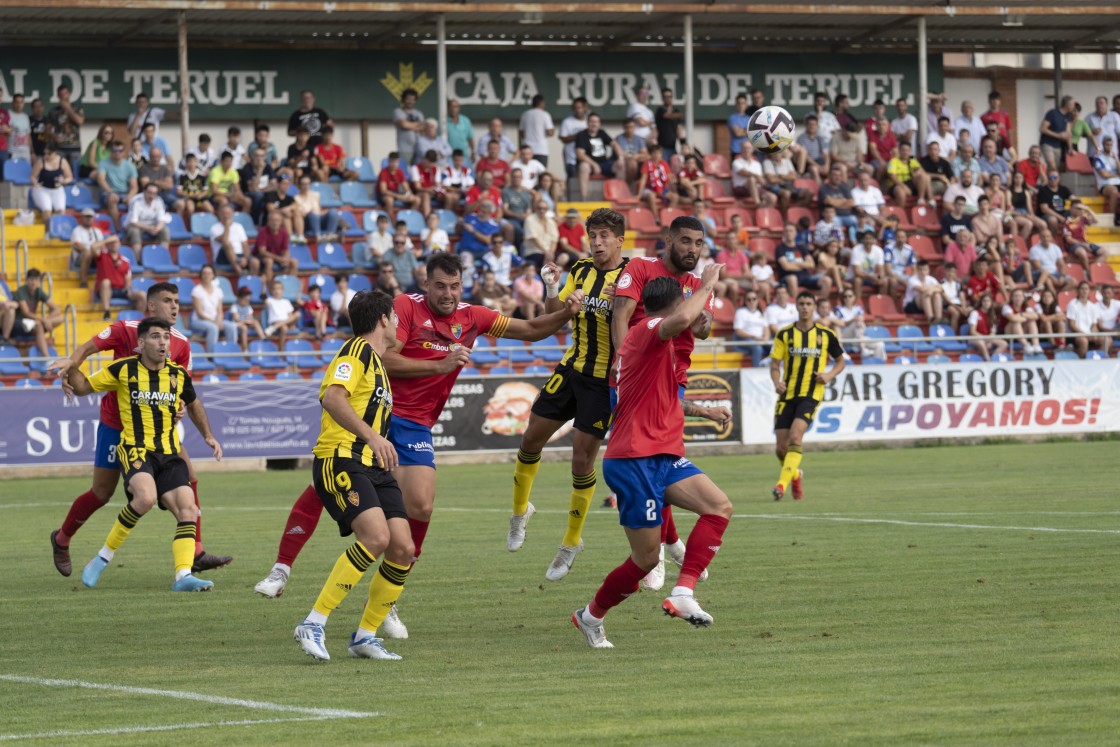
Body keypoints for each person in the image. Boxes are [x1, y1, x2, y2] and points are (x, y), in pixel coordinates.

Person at [253, 254, 585, 636]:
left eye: (455, 285)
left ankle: (387, 600)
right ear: (426, 284)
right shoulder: (403, 309)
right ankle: (281, 568)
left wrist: (562, 304)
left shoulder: (473, 316)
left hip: (415, 424)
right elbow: (385, 359)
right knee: (324, 480)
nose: (448, 293)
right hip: (376, 410)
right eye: (440, 285)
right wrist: (439, 365)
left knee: (422, 505)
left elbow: (531, 329)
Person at [572, 267, 732, 649]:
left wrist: (706, 410)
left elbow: (668, 398)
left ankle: (683, 591)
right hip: (633, 461)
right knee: (644, 559)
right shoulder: (645, 332)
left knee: (719, 507)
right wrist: (707, 285)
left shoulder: (656, 344)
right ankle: (590, 616)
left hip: (662, 456)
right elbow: (681, 318)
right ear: (673, 306)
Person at [48, 285, 231, 578]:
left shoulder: (181, 344)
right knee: (101, 493)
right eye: (168, 301)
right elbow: (86, 348)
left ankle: (195, 552)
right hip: (117, 423)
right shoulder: (124, 329)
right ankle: (62, 539)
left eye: (177, 301)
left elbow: (180, 388)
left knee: (190, 476)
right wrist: (70, 368)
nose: (175, 307)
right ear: (151, 307)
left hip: (158, 427)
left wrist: (180, 408)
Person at [287, 290, 413, 661]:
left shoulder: (376, 362)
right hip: (340, 458)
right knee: (375, 537)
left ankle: (365, 636)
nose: (398, 322)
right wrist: (373, 437)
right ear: (384, 320)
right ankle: (314, 621)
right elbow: (332, 398)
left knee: (403, 548)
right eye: (395, 315)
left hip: (373, 466)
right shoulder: (355, 352)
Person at [507, 209, 628, 579]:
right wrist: (552, 289)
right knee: (530, 440)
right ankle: (519, 512)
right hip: (570, 368)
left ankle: (571, 541)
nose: (597, 241)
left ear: (620, 239)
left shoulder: (630, 276)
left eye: (605, 235)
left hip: (602, 381)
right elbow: (555, 316)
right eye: (593, 234)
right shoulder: (579, 269)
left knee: (581, 461)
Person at [609, 217, 720, 591]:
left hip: (675, 379)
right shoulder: (641, 268)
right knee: (649, 459)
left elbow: (701, 329)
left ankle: (665, 545)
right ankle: (657, 551)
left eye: (698, 243)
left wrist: (701, 309)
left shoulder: (697, 285)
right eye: (685, 241)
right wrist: (623, 358)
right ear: (669, 240)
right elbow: (621, 314)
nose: (692, 249)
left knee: (664, 460)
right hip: (639, 373)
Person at [769, 290, 845, 502]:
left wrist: (829, 375)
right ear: (797, 307)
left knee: (795, 437)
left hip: (811, 394)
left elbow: (841, 361)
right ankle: (795, 474)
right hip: (787, 394)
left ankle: (780, 485)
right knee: (780, 449)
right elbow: (774, 364)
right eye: (801, 303)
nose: (804, 307)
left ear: (814, 307)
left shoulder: (826, 334)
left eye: (808, 303)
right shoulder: (785, 334)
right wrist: (777, 382)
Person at [12, 268, 61, 358]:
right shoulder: (21, 291)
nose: (33, 282)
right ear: (26, 280)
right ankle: (47, 358)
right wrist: (43, 320)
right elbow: (26, 312)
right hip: (19, 323)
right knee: (38, 326)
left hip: (34, 322)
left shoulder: (38, 291)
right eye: (31, 280)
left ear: (39, 281)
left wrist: (47, 320)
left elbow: (56, 308)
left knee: (60, 318)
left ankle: (42, 326)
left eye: (36, 280)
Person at [574, 113, 623, 201]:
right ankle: (584, 198)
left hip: (604, 163)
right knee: (583, 166)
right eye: (591, 121)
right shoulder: (581, 135)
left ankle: (618, 197)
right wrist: (594, 164)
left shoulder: (602, 133)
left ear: (599, 124)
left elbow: (615, 144)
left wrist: (620, 158)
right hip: (590, 164)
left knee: (620, 165)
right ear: (587, 123)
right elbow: (580, 154)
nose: (594, 124)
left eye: (596, 122)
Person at [94, 237, 145, 320]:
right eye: (111, 243)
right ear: (107, 245)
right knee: (106, 282)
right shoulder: (102, 256)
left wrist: (127, 289)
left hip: (121, 290)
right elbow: (93, 247)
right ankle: (106, 313)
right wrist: (107, 240)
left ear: (119, 245)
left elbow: (128, 279)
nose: (114, 244)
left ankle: (139, 321)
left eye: (116, 242)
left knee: (142, 295)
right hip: (105, 290)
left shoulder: (125, 261)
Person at [191, 265, 239, 351]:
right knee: (213, 328)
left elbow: (219, 310)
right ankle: (212, 355)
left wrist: (219, 320)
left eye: (209, 273)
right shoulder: (196, 290)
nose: (207, 276)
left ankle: (231, 352)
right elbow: (199, 313)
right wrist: (214, 322)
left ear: (213, 275)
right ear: (201, 275)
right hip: (199, 321)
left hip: (215, 320)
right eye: (204, 273)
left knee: (231, 326)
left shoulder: (218, 291)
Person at [70, 207, 118, 288]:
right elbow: (77, 246)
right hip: (81, 257)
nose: (88, 219)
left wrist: (95, 250)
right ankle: (83, 281)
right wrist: (92, 248)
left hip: (96, 256)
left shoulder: (97, 231)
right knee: (87, 252)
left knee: (108, 253)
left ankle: (112, 282)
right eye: (86, 216)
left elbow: (102, 246)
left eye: (90, 217)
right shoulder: (77, 230)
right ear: (82, 218)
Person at [255, 209, 299, 288]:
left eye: (278, 220)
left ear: (281, 222)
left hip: (277, 256)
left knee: (294, 262)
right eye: (273, 220)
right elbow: (262, 251)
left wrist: (285, 258)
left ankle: (291, 286)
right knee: (269, 261)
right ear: (268, 221)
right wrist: (279, 259)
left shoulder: (284, 232)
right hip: (261, 257)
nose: (275, 223)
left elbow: (285, 249)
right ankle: (269, 287)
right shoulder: (263, 232)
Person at [29, 142, 73, 222]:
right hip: (43, 189)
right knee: (47, 210)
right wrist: (35, 184)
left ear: (55, 152)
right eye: (45, 153)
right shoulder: (40, 162)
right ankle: (47, 231)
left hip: (57, 189)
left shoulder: (62, 161)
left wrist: (64, 181)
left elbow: (69, 177)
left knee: (61, 210)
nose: (46, 156)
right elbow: (32, 176)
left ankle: (58, 231)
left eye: (49, 154)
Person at [46, 84, 84, 173]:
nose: (64, 96)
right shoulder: (53, 111)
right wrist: (53, 135)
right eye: (61, 94)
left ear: (69, 94)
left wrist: (68, 108)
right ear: (58, 96)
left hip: (75, 147)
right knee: (59, 173)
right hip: (59, 148)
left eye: (65, 93)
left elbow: (80, 122)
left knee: (75, 174)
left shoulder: (77, 108)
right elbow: (47, 130)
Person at [1029, 228, 1077, 295]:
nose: (1045, 238)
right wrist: (1051, 277)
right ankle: (1054, 297)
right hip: (1042, 275)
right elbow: (1038, 267)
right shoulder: (1034, 249)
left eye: (1048, 236)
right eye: (1043, 236)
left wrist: (1061, 276)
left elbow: (1062, 264)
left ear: (1051, 237)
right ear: (1040, 237)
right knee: (1048, 281)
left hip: (1055, 273)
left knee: (1072, 281)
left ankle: (1058, 296)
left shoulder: (1056, 248)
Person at [1065, 281, 1104, 359]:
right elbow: (1072, 325)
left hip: (1088, 334)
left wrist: (1094, 334)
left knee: (1107, 340)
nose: (1084, 291)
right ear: (1078, 291)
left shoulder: (1093, 306)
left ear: (1089, 291)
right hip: (1075, 334)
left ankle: (1099, 361)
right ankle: (1083, 364)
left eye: (1086, 289)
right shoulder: (1072, 304)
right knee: (1084, 341)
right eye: (1082, 289)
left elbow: (1094, 325)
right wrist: (1085, 334)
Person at [1001, 288, 1043, 355]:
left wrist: (1021, 314)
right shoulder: (1007, 307)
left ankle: (1036, 344)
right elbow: (1013, 318)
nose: (1018, 298)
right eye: (1015, 296)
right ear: (1012, 298)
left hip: (1021, 331)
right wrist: (1026, 317)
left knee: (1031, 322)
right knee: (1016, 323)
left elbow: (1035, 316)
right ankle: (1026, 345)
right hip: (1008, 333)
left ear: (1023, 298)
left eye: (1020, 296)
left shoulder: (1026, 307)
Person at [733, 291, 770, 367]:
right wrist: (754, 337)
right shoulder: (740, 312)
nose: (751, 301)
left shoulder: (761, 313)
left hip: (760, 339)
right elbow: (738, 331)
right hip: (746, 340)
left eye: (754, 299)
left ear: (757, 300)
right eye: (748, 299)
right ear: (745, 301)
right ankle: (756, 372)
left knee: (776, 346)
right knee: (757, 348)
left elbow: (766, 328)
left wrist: (766, 337)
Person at [967, 292, 1008, 361]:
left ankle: (993, 360)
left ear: (991, 303)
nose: (986, 303)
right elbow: (972, 331)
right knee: (981, 343)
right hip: (974, 338)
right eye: (984, 301)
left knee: (1004, 344)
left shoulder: (992, 315)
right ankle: (987, 360)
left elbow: (993, 332)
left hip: (987, 337)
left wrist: (990, 340)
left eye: (988, 301)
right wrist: (985, 339)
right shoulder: (975, 313)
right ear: (981, 302)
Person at [1039, 95, 1074, 173]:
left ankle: (1050, 183)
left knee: (1056, 169)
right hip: (1047, 143)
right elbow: (1042, 129)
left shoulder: (1069, 115)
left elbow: (1068, 132)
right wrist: (1058, 135)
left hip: (1058, 145)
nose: (1073, 107)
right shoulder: (1052, 113)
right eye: (1072, 104)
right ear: (1067, 105)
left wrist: (1070, 148)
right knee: (1052, 166)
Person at [902, 260, 944, 324]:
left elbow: (941, 289)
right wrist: (933, 287)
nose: (922, 272)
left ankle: (938, 318)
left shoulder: (931, 279)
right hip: (911, 305)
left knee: (937, 294)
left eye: (924, 269)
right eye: (920, 269)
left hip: (927, 303)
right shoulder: (912, 279)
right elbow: (922, 289)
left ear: (928, 270)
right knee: (925, 293)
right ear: (917, 270)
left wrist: (932, 290)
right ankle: (930, 318)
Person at [1091, 136, 1120, 227]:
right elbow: (1104, 175)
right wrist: (1117, 174)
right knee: (1114, 192)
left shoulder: (1114, 158)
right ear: (1103, 145)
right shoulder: (1098, 158)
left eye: (1111, 145)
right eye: (1107, 145)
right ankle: (1113, 218)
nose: (1109, 147)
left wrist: (1116, 158)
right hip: (1105, 185)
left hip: (1118, 183)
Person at [654, 88, 683, 159]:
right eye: (665, 97)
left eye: (669, 96)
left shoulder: (676, 110)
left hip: (674, 146)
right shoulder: (660, 110)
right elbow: (668, 115)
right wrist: (684, 112)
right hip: (662, 147)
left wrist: (682, 143)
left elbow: (679, 128)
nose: (667, 99)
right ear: (662, 98)